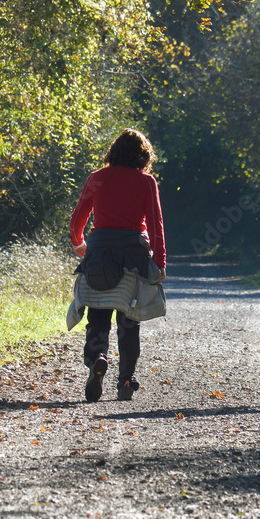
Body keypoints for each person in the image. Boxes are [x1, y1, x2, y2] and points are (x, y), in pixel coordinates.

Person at [70, 128, 166, 402]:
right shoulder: (146, 182)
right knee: (128, 320)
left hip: (99, 252)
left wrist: (80, 246)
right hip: (133, 256)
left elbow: (78, 220)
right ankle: (125, 380)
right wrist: (160, 262)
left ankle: (97, 358)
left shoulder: (96, 179)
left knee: (98, 315)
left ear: (113, 152)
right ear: (143, 155)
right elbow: (156, 226)